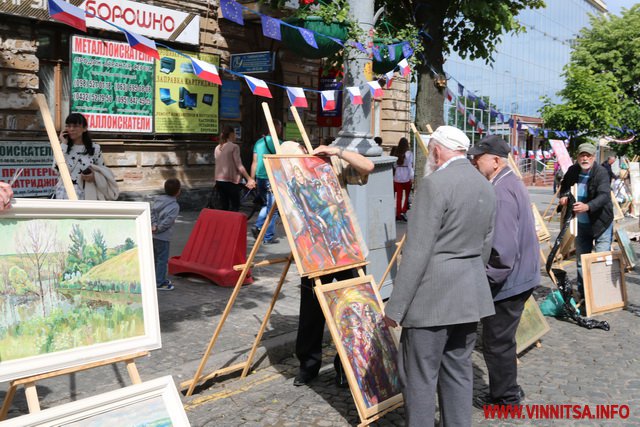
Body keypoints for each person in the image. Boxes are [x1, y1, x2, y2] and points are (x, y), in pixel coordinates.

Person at [383, 125, 496, 427]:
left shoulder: (435, 184)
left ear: (436, 150)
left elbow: (417, 251)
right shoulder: (485, 184)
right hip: (469, 295)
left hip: (432, 298)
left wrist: (396, 307)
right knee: (458, 372)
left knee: (419, 377)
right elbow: (485, 245)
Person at [288, 143, 375, 387]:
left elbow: (368, 166)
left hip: (347, 248)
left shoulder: (330, 163)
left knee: (352, 309)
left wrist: (337, 151)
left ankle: (346, 367)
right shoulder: (289, 176)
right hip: (315, 253)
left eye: (299, 152)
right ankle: (308, 365)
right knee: (311, 313)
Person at [468, 135, 540, 407]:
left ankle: (505, 397)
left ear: (496, 161)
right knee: (503, 340)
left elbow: (503, 251)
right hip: (520, 275)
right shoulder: (509, 181)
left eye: (479, 157)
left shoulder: (500, 189)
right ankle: (508, 389)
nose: (475, 161)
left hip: (509, 280)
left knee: (497, 342)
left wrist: (486, 281)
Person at [558, 143, 613, 301]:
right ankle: (584, 296)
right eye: (582, 155)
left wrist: (587, 206)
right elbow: (564, 186)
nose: (585, 158)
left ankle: (601, 296)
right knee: (582, 261)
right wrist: (564, 196)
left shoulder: (601, 172)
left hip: (601, 222)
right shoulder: (573, 170)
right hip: (581, 225)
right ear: (578, 157)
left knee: (601, 261)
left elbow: (604, 196)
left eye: (588, 155)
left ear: (593, 157)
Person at [55, 113, 105, 200]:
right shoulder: (62, 147)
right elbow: (56, 168)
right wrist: (64, 144)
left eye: (75, 126)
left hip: (87, 192)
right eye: (68, 126)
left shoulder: (94, 148)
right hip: (64, 192)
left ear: (85, 128)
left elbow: (103, 170)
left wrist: (93, 176)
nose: (71, 129)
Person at [250, 121, 281, 244]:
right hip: (271, 178)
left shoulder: (259, 142)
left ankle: (257, 226)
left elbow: (254, 162)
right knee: (273, 210)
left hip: (260, 178)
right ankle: (268, 237)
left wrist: (252, 179)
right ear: (277, 128)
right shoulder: (278, 144)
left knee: (267, 204)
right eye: (279, 127)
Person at [214, 126, 255, 211]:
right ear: (231, 134)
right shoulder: (234, 147)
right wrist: (249, 178)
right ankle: (233, 224)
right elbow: (239, 165)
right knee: (235, 206)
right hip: (231, 181)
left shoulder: (217, 147)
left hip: (219, 180)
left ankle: (224, 223)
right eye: (235, 134)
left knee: (224, 206)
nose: (235, 136)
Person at [151, 178, 181, 291]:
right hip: (163, 237)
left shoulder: (157, 200)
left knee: (154, 258)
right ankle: (159, 282)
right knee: (162, 260)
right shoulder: (174, 206)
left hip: (152, 235)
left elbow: (152, 213)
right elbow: (167, 222)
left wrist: (153, 226)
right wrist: (158, 229)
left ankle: (154, 278)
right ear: (178, 191)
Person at [392, 137, 413, 221]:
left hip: (397, 176)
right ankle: (403, 211)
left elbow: (394, 165)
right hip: (406, 176)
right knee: (406, 195)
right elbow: (410, 166)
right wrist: (411, 176)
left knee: (399, 197)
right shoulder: (409, 153)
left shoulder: (396, 152)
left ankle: (398, 214)